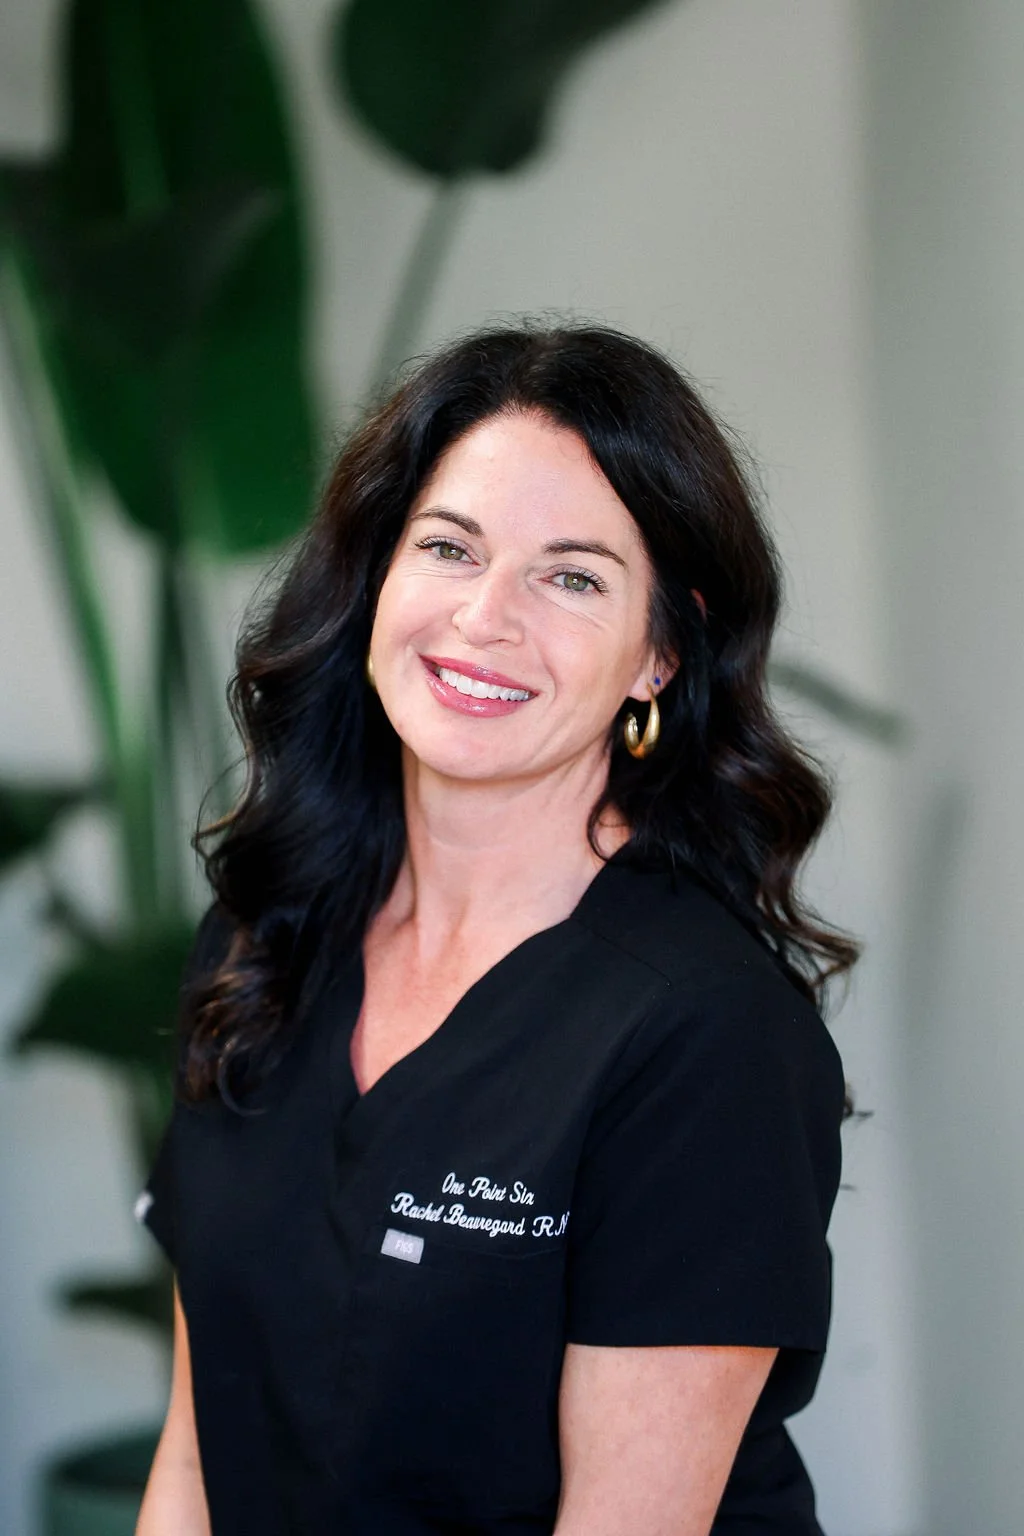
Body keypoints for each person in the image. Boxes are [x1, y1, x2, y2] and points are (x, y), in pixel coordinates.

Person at [135, 322, 857, 1536]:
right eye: (447, 548)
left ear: (659, 654)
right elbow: (197, 1462)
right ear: (376, 577)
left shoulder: (705, 1034)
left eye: (571, 576)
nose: (484, 617)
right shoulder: (263, 939)